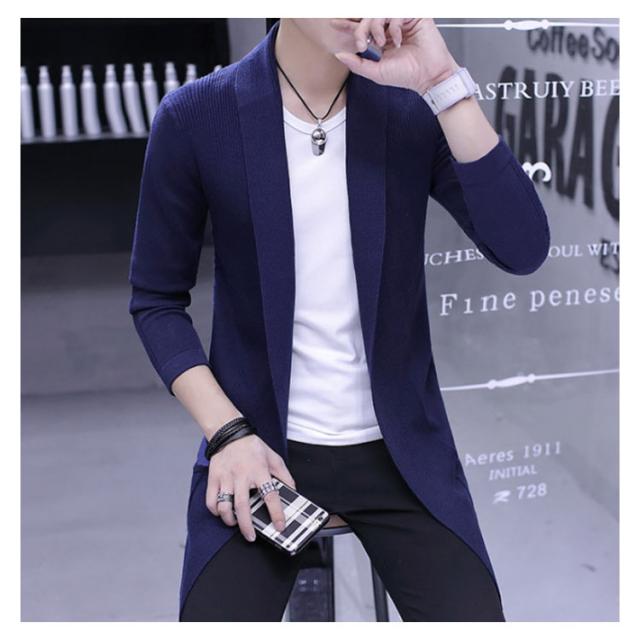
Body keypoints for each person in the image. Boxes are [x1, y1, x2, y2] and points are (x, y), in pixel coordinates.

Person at [128, 18, 550, 622]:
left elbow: (523, 247)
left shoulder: (410, 108)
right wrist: (228, 434)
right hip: (259, 449)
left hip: (402, 458)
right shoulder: (198, 115)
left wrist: (442, 81)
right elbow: (156, 299)